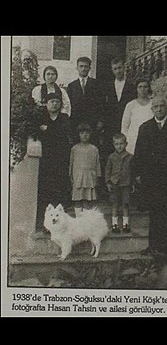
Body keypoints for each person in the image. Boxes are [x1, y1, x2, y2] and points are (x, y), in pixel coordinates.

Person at [133, 94, 167, 255]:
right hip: (151, 177)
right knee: (154, 212)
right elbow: (139, 153)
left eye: (162, 106)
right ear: (152, 109)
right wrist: (137, 174)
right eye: (156, 106)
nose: (159, 109)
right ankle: (153, 246)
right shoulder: (145, 127)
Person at [35, 93, 73, 236]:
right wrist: (52, 132)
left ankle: (61, 226)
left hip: (61, 160)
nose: (55, 104)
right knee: (46, 192)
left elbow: (64, 133)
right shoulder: (41, 117)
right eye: (52, 101)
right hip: (46, 161)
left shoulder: (64, 118)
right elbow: (37, 133)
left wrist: (48, 130)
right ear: (46, 103)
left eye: (57, 101)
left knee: (60, 191)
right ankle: (47, 226)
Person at [67, 57, 105, 145]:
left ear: (90, 68)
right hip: (76, 123)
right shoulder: (71, 86)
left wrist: (101, 120)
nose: (83, 68)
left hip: (92, 123)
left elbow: (102, 104)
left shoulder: (96, 84)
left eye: (86, 66)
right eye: (81, 66)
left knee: (92, 146)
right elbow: (68, 106)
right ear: (77, 68)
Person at [69, 123, 101, 217]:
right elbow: (71, 164)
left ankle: (85, 221)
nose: (85, 135)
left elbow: (97, 164)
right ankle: (78, 220)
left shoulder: (94, 149)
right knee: (78, 200)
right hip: (78, 177)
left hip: (90, 178)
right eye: (82, 133)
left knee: (87, 200)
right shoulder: (74, 149)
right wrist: (71, 176)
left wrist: (97, 176)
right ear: (78, 134)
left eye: (87, 133)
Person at [105, 56, 136, 151]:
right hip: (111, 123)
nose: (118, 71)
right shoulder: (107, 86)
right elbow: (104, 105)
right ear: (112, 70)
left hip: (127, 123)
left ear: (124, 68)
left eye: (119, 68)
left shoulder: (132, 86)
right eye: (115, 69)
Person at [105, 133, 133, 233]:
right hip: (114, 184)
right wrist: (108, 182)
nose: (119, 146)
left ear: (126, 144)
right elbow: (108, 170)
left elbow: (132, 171)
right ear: (113, 145)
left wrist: (133, 183)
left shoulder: (130, 157)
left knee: (125, 204)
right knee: (115, 204)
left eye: (121, 144)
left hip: (126, 184)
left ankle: (126, 224)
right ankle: (114, 224)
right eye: (116, 144)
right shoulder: (111, 157)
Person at [121, 77, 153, 155]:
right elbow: (125, 126)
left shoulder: (153, 104)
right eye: (140, 87)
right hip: (133, 141)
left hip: (150, 139)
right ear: (136, 89)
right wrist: (126, 141)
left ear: (149, 88)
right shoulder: (130, 105)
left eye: (145, 87)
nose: (142, 89)